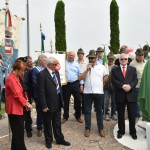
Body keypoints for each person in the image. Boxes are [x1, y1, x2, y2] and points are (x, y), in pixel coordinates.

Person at [37, 57, 70, 149]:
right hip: (48, 104)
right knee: (47, 124)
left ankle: (59, 139)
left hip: (57, 103)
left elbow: (59, 87)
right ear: (49, 64)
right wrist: (43, 105)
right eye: (55, 64)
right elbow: (41, 91)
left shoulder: (56, 72)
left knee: (57, 123)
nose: (56, 66)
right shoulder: (42, 74)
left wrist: (61, 100)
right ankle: (48, 140)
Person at [79, 50, 108, 137]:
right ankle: (87, 128)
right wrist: (87, 70)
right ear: (88, 58)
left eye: (93, 58)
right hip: (87, 92)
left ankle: (101, 128)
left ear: (96, 58)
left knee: (99, 111)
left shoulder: (102, 67)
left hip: (99, 92)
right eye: (90, 58)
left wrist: (104, 81)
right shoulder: (84, 66)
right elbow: (80, 78)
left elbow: (106, 76)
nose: (91, 59)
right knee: (87, 111)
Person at [5, 60, 32, 150]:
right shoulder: (11, 78)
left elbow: (23, 91)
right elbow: (17, 94)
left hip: (19, 108)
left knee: (18, 133)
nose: (23, 72)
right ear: (17, 69)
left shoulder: (18, 77)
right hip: (14, 110)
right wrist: (27, 104)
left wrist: (26, 102)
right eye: (22, 70)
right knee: (18, 133)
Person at [111, 53, 138, 140]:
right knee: (121, 115)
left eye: (125, 59)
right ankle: (121, 131)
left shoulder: (133, 69)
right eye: (122, 59)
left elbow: (135, 80)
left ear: (128, 60)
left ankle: (133, 132)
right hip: (120, 95)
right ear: (119, 60)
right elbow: (113, 80)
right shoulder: (115, 70)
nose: (124, 61)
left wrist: (130, 86)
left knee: (132, 115)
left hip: (131, 95)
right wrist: (122, 86)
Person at [61, 51, 83, 124]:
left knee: (78, 100)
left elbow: (80, 75)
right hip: (66, 84)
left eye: (72, 55)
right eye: (70, 55)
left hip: (75, 84)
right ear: (67, 55)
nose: (71, 56)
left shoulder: (77, 64)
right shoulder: (63, 63)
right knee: (66, 101)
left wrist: (81, 85)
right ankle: (65, 116)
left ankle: (78, 116)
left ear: (74, 56)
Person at [31, 54, 47, 137]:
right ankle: (39, 128)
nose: (46, 61)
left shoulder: (47, 70)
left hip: (47, 95)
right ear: (40, 61)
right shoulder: (35, 70)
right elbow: (35, 83)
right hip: (39, 95)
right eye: (45, 60)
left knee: (47, 111)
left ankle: (46, 126)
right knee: (40, 111)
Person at [130, 48, 146, 120]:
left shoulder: (146, 63)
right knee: (136, 101)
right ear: (136, 55)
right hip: (136, 85)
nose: (141, 57)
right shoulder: (132, 63)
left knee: (144, 100)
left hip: (144, 86)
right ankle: (137, 116)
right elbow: (130, 75)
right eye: (139, 55)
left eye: (142, 55)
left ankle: (145, 115)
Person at [104, 52, 117, 121]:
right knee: (106, 101)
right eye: (110, 59)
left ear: (114, 59)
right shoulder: (104, 66)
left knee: (114, 101)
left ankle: (113, 114)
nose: (111, 60)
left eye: (112, 59)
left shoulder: (116, 67)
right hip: (106, 87)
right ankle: (106, 113)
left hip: (114, 87)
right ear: (107, 59)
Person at [24, 56, 33, 138]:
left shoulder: (31, 70)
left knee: (27, 112)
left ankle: (28, 129)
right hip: (23, 94)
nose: (31, 63)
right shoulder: (24, 70)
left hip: (29, 95)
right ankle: (27, 128)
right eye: (29, 62)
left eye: (31, 61)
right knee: (24, 112)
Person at [77, 48, 87, 114]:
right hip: (77, 82)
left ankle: (84, 110)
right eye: (79, 54)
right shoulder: (75, 63)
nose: (80, 55)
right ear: (77, 55)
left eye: (81, 54)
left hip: (85, 82)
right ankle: (77, 110)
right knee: (77, 97)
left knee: (84, 97)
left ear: (83, 55)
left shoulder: (86, 63)